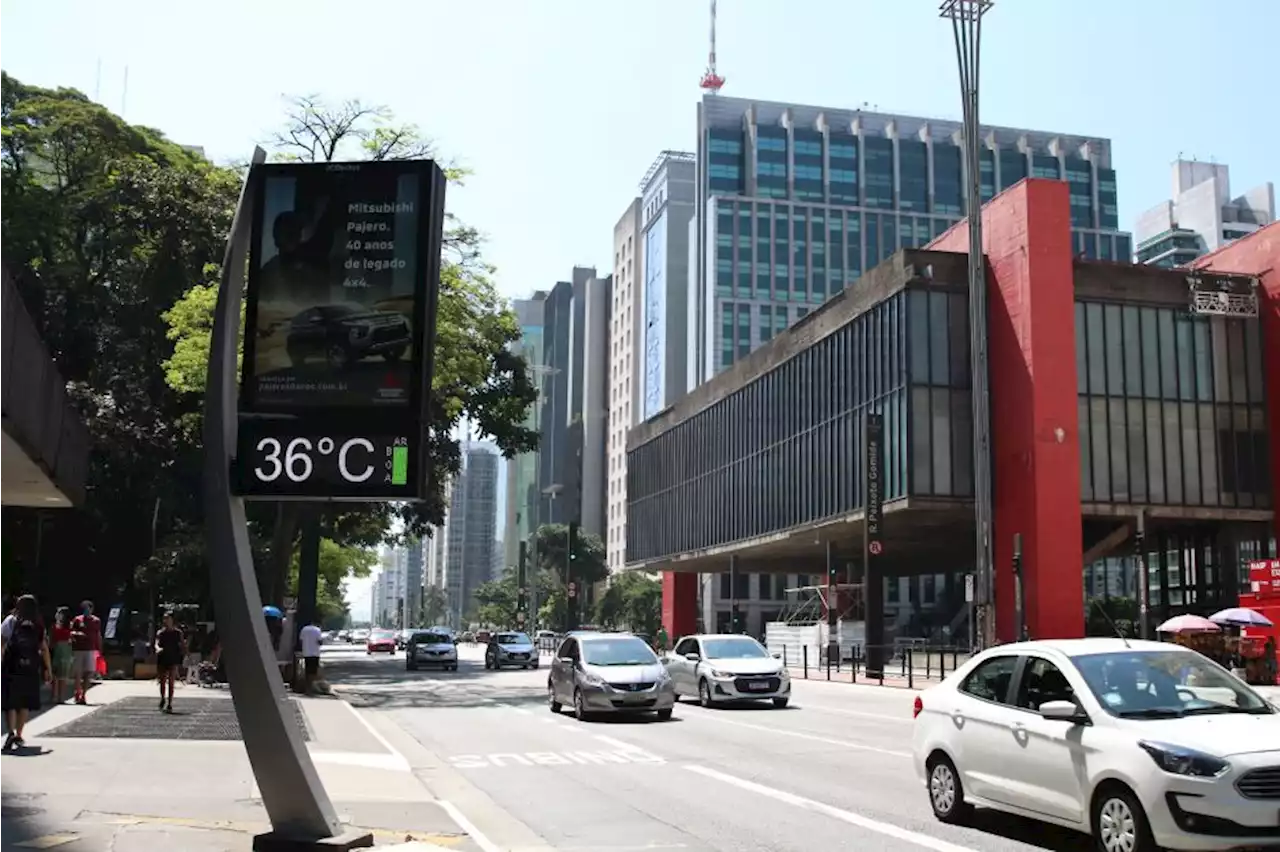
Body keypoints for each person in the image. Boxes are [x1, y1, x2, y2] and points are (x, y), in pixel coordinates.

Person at [1, 595, 52, 753]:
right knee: (24, 702)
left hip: (11, 665)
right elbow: (43, 648)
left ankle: (10, 732)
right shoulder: (38, 624)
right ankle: (19, 734)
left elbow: (1, 643)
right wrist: (48, 669)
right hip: (30, 667)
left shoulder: (10, 620)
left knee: (10, 701)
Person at [69, 600, 101, 705]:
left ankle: (84, 693)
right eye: (84, 608)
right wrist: (78, 633)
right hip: (78, 649)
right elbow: (71, 632)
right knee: (78, 672)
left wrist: (99, 648)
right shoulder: (77, 619)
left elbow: (98, 635)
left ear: (92, 609)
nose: (86, 610)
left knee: (89, 671)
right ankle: (77, 692)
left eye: (88, 608)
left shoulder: (96, 621)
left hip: (90, 649)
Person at [154, 612, 183, 713]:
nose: (166, 621)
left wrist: (187, 654)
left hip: (173, 659)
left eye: (168, 619)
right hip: (163, 658)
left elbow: (182, 645)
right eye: (164, 619)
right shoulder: (160, 633)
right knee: (162, 682)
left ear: (172, 620)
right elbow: (156, 643)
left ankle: (170, 703)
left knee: (171, 682)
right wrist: (158, 649)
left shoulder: (178, 633)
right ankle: (162, 698)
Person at [49, 607, 73, 705]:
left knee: (63, 675)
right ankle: (54, 696)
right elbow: (50, 640)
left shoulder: (70, 626)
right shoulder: (53, 626)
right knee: (54, 674)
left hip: (65, 651)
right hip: (55, 650)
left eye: (59, 613)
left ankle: (61, 697)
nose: (57, 615)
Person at [298, 619, 323, 695]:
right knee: (313, 671)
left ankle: (307, 688)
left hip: (306, 652)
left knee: (307, 671)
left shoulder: (304, 629)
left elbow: (301, 640)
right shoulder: (317, 630)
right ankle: (311, 688)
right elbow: (319, 642)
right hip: (315, 653)